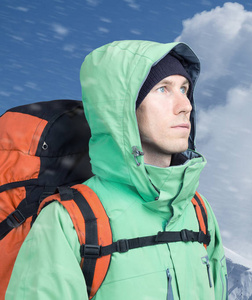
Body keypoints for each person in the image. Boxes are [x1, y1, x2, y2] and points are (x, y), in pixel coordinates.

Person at [6, 40, 228, 299]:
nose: (185, 105)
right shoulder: (69, 220)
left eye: (184, 89)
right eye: (163, 89)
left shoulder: (198, 210)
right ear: (121, 108)